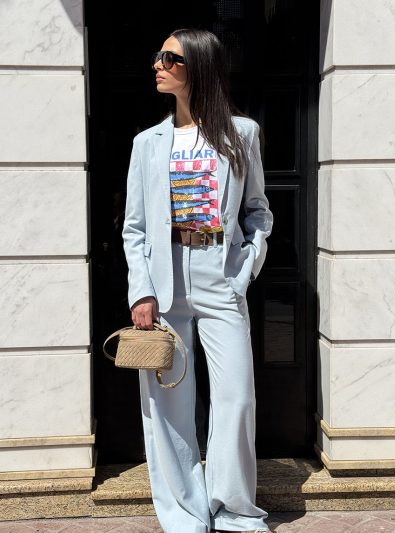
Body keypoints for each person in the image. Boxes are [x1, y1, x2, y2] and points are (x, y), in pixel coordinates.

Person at [122, 28, 273, 533]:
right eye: (158, 56)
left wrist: (244, 270)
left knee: (236, 397)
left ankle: (234, 511)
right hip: (164, 283)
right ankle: (186, 514)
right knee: (167, 405)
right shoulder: (147, 143)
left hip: (220, 276)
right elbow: (135, 227)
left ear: (199, 67)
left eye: (170, 58)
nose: (158, 65)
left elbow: (258, 212)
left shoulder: (242, 133)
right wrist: (141, 290)